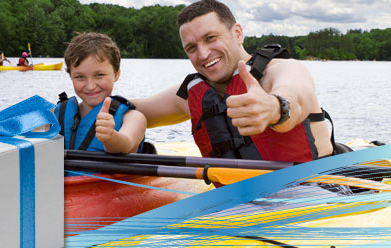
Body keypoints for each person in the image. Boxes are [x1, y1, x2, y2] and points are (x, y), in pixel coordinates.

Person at [133, 0, 334, 163]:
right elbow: (136, 109)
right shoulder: (190, 94)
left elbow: (295, 99)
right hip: (239, 201)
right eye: (191, 48)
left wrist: (273, 108)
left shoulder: (282, 69)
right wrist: (103, 89)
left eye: (211, 38)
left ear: (237, 33)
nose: (203, 54)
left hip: (314, 191)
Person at [54, 32, 147, 154]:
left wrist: (110, 137)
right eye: (80, 77)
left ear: (116, 74)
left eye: (99, 75)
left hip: (107, 173)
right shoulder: (57, 114)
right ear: (71, 76)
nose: (90, 86)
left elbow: (126, 144)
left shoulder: (133, 118)